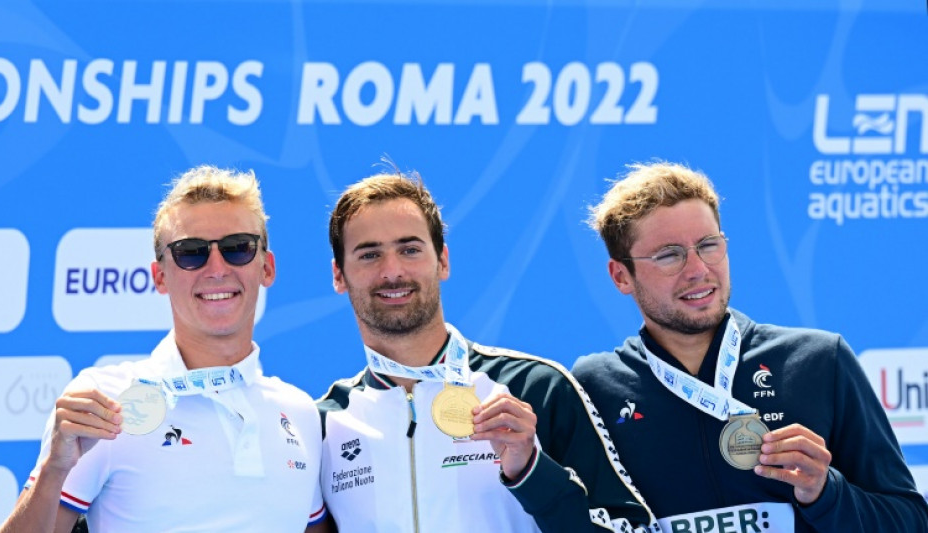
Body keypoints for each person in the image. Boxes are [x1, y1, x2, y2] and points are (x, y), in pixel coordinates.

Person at [573, 161, 928, 532]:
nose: (697, 269)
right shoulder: (592, 389)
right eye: (669, 255)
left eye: (709, 246)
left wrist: (825, 492)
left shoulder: (818, 361)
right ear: (621, 276)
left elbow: (910, 522)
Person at [316, 166, 658, 532]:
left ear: (442, 261)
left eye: (410, 249)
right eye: (369, 255)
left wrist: (532, 472)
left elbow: (634, 528)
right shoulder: (324, 425)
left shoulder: (535, 388)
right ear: (339, 275)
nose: (392, 271)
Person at [0, 166, 328, 532]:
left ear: (266, 267)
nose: (216, 269)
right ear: (159, 277)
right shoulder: (109, 401)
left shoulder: (301, 413)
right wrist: (53, 471)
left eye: (237, 248)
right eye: (191, 253)